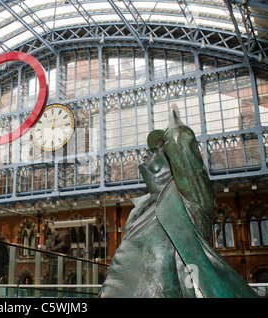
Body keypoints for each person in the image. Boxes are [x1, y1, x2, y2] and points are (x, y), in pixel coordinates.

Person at [99, 110, 258, 298]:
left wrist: (173, 118)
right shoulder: (140, 210)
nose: (148, 152)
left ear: (173, 162)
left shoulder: (190, 201)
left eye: (158, 150)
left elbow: (179, 138)